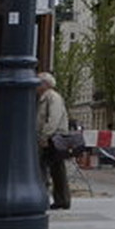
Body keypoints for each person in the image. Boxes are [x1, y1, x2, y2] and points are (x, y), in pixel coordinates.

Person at [36, 71, 71, 210]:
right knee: (57, 169)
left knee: (45, 167)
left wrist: (44, 136)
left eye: (38, 83)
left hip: (53, 139)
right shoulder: (45, 97)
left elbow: (53, 119)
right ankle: (61, 200)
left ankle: (51, 198)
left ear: (45, 84)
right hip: (52, 138)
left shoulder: (52, 97)